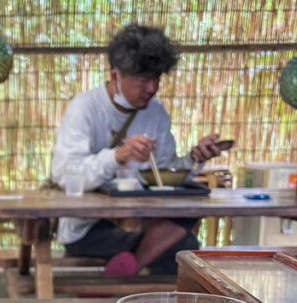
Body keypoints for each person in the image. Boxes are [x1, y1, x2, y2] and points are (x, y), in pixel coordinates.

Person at [50, 25, 225, 276]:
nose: (152, 88)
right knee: (183, 250)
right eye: (143, 80)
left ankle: (127, 272)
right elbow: (64, 174)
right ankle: (132, 280)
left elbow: (163, 173)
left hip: (144, 222)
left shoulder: (156, 113)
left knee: (187, 230)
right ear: (115, 76)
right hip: (89, 228)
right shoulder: (84, 108)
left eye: (156, 79)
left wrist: (193, 159)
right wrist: (116, 156)